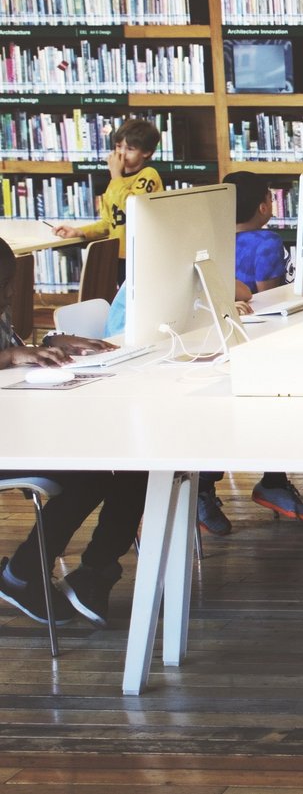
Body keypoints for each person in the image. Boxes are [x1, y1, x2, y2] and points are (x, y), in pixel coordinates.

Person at [0, 238, 142, 629]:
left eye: (12, 282)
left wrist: (48, 343)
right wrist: (9, 357)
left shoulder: (2, 308)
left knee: (134, 462)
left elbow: (12, 350)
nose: (10, 292)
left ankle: (95, 572)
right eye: (3, 284)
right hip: (8, 445)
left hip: (18, 428)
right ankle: (25, 573)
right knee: (91, 471)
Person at [196, 173, 303, 535]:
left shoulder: (205, 243)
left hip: (208, 340)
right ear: (265, 205)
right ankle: (272, 480)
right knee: (280, 391)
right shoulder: (266, 240)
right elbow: (270, 297)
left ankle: (203, 491)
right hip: (255, 337)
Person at [50, 118, 164, 278]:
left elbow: (132, 208)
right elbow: (108, 223)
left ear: (146, 152)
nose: (121, 154)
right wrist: (79, 231)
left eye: (130, 149)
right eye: (118, 147)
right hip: (119, 254)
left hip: (141, 255)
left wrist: (115, 174)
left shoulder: (148, 175)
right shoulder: (116, 181)